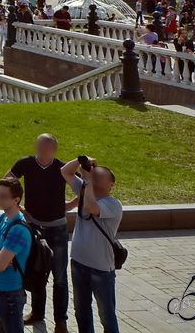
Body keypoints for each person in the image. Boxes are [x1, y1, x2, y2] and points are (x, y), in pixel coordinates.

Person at [8, 133, 70, 331]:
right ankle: (37, 312)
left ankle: (61, 320)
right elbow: (7, 183)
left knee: (59, 277)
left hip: (58, 228)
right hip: (34, 227)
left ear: (54, 149)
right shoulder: (25, 163)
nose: (41, 149)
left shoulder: (62, 167)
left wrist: (69, 205)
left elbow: (83, 187)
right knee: (37, 272)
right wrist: (19, 207)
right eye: (39, 145)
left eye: (45, 146)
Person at [62, 156, 122, 333]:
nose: (95, 176)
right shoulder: (85, 188)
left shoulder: (113, 204)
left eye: (100, 175)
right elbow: (65, 171)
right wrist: (82, 162)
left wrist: (87, 180)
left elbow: (90, 207)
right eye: (94, 173)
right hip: (78, 263)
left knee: (106, 314)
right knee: (81, 311)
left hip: (101, 269)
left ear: (111, 184)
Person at [0, 178, 32, 333]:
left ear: (16, 200)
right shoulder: (3, 218)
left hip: (10, 295)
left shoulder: (18, 229)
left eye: (3, 196)